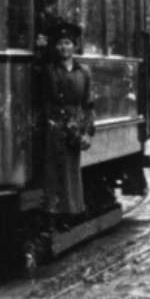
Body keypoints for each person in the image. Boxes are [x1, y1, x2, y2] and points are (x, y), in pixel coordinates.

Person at [39, 23, 96, 218]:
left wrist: (87, 131)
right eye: (60, 44)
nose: (64, 47)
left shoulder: (84, 72)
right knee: (53, 172)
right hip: (54, 126)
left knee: (71, 172)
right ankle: (52, 216)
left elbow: (88, 104)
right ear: (55, 47)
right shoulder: (50, 71)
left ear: (74, 46)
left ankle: (71, 213)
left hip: (75, 128)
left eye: (68, 43)